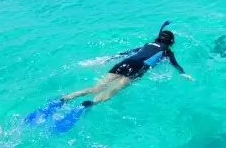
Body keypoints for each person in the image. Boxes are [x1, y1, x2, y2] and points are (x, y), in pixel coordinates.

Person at [61, 30, 193, 107]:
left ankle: (67, 97)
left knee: (97, 87)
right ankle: (92, 103)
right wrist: (183, 74)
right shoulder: (167, 52)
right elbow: (175, 64)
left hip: (124, 63)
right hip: (137, 67)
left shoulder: (147, 44)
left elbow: (129, 52)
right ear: (171, 42)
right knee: (114, 89)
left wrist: (111, 58)